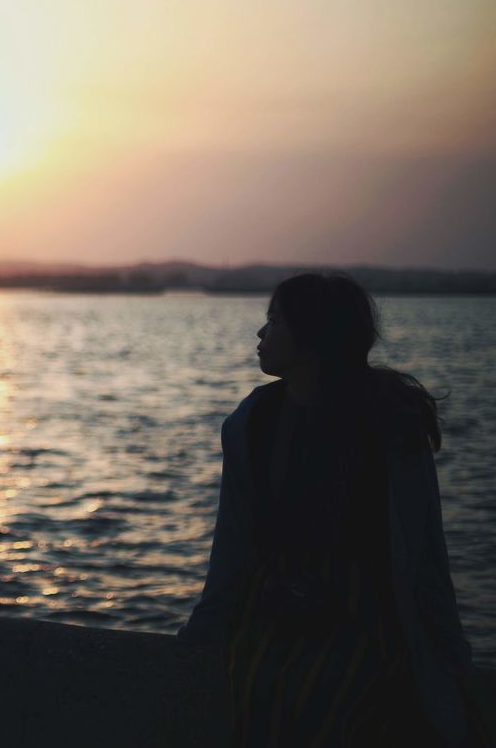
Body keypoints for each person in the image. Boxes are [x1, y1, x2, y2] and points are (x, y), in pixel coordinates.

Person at [175, 272, 480, 747]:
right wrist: (204, 629)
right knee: (265, 687)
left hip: (365, 618)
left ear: (314, 336)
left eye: (274, 321)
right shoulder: (253, 423)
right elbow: (233, 541)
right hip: (276, 610)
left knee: (328, 692)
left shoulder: (390, 420)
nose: (261, 334)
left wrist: (451, 656)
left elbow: (424, 550)